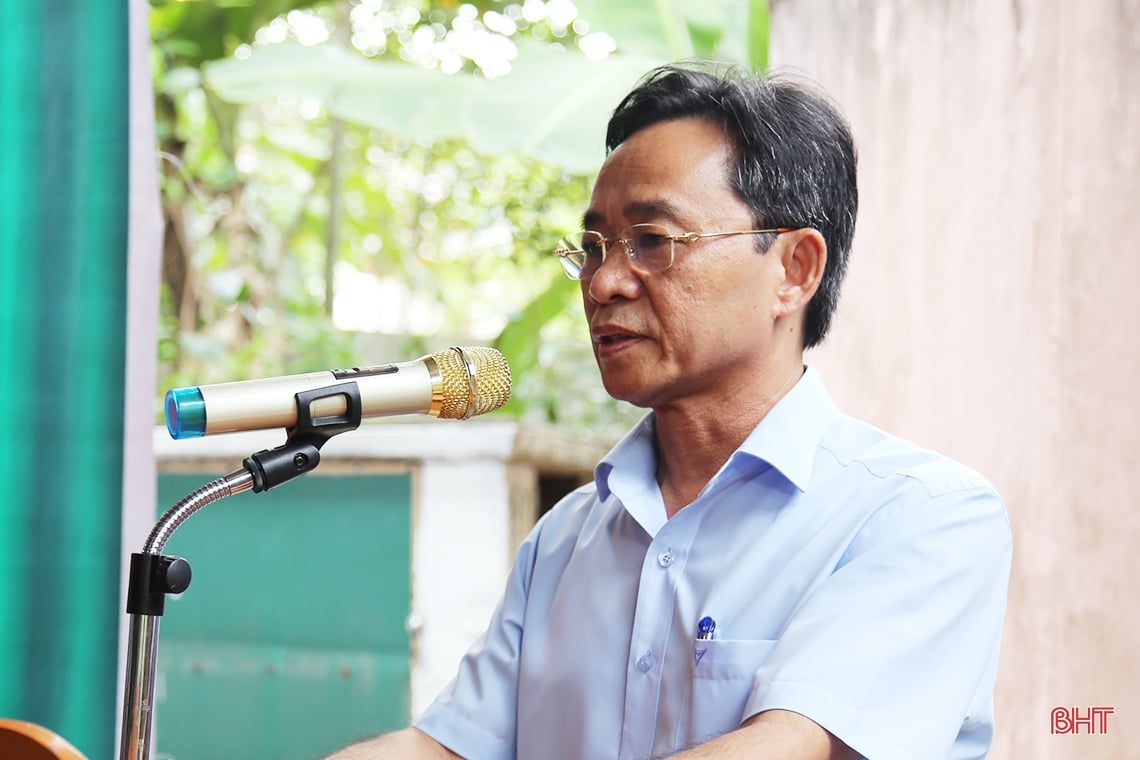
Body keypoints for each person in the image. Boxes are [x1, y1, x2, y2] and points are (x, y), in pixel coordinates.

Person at [324, 61, 1012, 760]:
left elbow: (783, 748)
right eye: (592, 248)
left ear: (794, 269)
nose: (606, 280)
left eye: (653, 240)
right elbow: (445, 749)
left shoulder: (920, 516)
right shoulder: (566, 541)